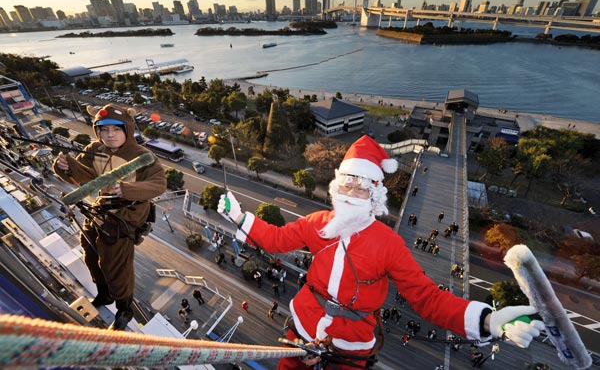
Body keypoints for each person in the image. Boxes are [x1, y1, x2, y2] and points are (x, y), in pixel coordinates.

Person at [218, 135, 544, 370]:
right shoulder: (319, 223)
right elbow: (276, 239)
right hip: (304, 323)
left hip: (353, 342)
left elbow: (427, 298)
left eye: (361, 187)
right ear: (336, 186)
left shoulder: (387, 244)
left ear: (375, 195)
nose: (351, 192)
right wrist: (239, 215)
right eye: (346, 184)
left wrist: (487, 320)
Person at [53, 104, 166, 330]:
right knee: (90, 251)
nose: (110, 135)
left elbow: (159, 184)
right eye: (104, 130)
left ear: (128, 129)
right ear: (97, 131)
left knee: (116, 263)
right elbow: (84, 175)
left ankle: (125, 308)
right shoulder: (95, 149)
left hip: (126, 214)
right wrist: (64, 166)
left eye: (116, 129)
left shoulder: (142, 156)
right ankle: (104, 294)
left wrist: (126, 189)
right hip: (102, 208)